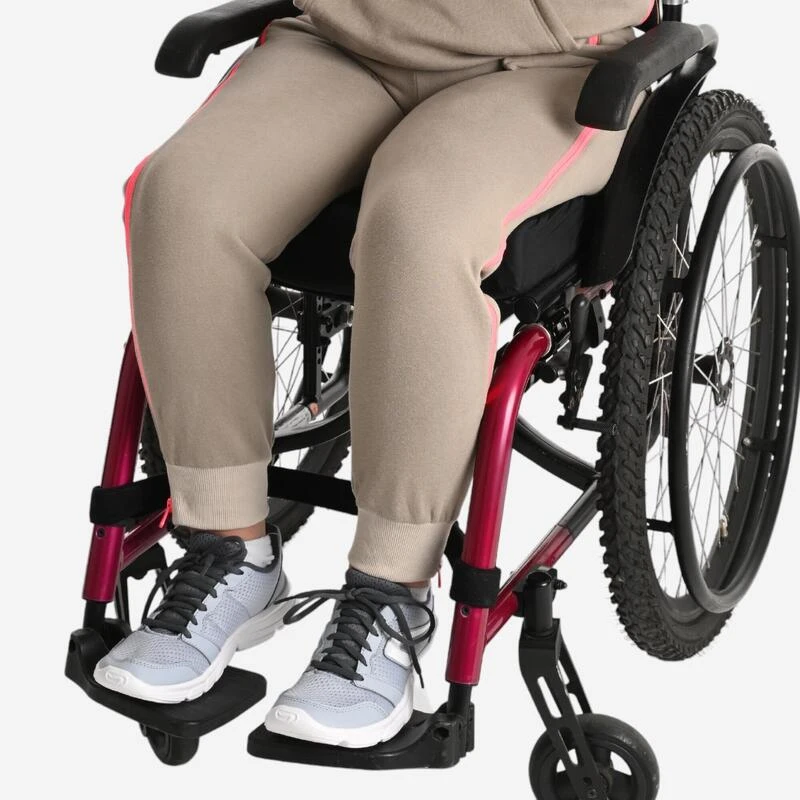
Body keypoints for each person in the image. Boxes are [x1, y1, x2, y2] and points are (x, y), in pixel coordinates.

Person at [94, 0, 653, 748]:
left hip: (544, 62)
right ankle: (230, 550)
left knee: (415, 228)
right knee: (179, 200)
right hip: (347, 38)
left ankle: (392, 590)